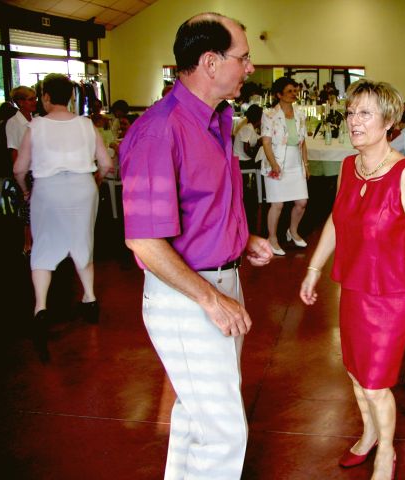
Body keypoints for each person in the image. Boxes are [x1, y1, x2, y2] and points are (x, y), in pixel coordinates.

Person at [118, 13, 272, 479]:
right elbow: (143, 239)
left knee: (197, 413)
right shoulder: (159, 130)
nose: (250, 67)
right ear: (210, 62)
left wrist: (242, 239)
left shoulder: (216, 119)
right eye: (243, 57)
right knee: (224, 431)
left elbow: (203, 204)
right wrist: (210, 299)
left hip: (217, 284)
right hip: (186, 297)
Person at [300, 79, 405, 480]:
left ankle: (386, 451)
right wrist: (314, 268)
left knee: (376, 383)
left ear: (388, 122)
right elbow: (336, 219)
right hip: (354, 286)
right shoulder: (349, 167)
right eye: (351, 112)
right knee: (354, 371)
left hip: (391, 294)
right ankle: (368, 434)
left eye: (365, 113)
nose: (354, 121)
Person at [13, 73, 113, 362]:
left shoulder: (36, 126)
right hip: (83, 188)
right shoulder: (86, 124)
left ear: (45, 97)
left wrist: (25, 190)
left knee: (44, 246)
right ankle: (90, 299)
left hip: (48, 189)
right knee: (83, 241)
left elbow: (19, 168)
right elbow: (106, 163)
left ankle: (41, 308)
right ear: (70, 96)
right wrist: (94, 182)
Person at [258, 76, 310, 255]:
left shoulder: (300, 114)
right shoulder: (269, 115)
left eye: (295, 91)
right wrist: (274, 164)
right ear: (279, 94)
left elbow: (303, 142)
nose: (293, 94)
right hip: (276, 162)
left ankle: (293, 231)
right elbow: (266, 142)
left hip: (296, 162)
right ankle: (272, 238)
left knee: (301, 203)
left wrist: (306, 164)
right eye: (289, 91)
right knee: (277, 204)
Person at [6, 85, 38, 254]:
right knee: (29, 209)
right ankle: (28, 243)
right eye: (31, 99)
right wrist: (21, 176)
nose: (35, 102)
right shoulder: (14, 123)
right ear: (20, 102)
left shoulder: (35, 120)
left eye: (34, 98)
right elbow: (14, 152)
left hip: (39, 168)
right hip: (27, 170)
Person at [233, 103, 262, 169]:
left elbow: (260, 139)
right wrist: (254, 158)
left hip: (244, 159)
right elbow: (246, 149)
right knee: (262, 163)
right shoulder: (248, 128)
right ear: (259, 119)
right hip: (241, 161)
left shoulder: (251, 128)